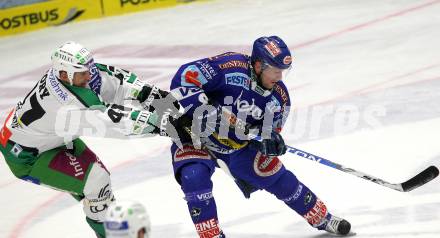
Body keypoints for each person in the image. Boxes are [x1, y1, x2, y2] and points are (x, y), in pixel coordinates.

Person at [167, 36, 351, 237]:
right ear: (257, 65)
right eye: (274, 70)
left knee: (276, 176)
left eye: (282, 71)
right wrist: (204, 110)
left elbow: (268, 132)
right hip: (194, 134)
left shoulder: (279, 98)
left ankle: (322, 217)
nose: (279, 76)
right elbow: (184, 77)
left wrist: (269, 141)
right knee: (193, 177)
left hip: (236, 145)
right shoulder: (230, 67)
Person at [0, 41, 172, 238]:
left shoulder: (66, 77)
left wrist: (150, 95)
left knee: (100, 189)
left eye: (88, 69)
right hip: (26, 156)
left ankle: (108, 225)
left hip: (45, 137)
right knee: (97, 183)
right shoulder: (68, 104)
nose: (89, 76)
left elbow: (112, 81)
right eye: (83, 73)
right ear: (65, 74)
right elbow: (115, 123)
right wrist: (162, 124)